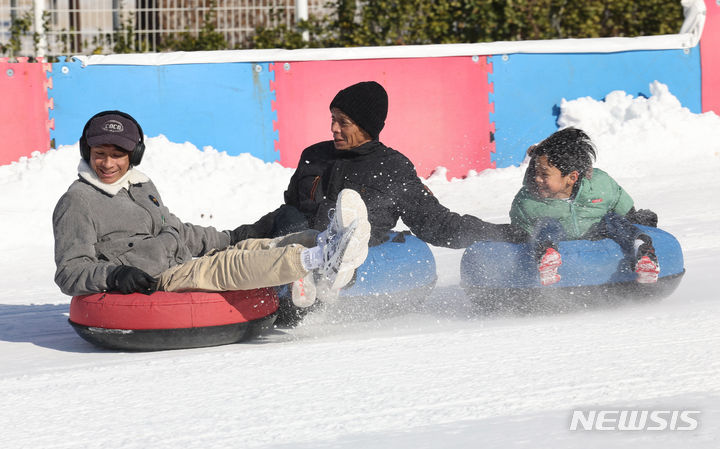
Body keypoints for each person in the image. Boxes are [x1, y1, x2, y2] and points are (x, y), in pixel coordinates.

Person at [52, 110, 371, 306]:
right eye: (99, 153)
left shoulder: (140, 185)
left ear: (133, 155)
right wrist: (115, 274)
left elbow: (175, 231)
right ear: (87, 150)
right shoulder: (78, 202)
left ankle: (326, 244)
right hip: (154, 281)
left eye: (117, 155)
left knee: (258, 245)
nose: (107, 163)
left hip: (180, 264)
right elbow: (70, 271)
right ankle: (316, 259)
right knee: (227, 268)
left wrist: (230, 238)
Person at [235, 80, 525, 257]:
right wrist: (233, 239)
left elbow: (438, 224)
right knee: (284, 223)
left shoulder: (392, 168)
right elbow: (286, 213)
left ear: (366, 126)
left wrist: (503, 234)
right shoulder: (314, 155)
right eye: (333, 119)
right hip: (292, 249)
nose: (333, 128)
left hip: (352, 260)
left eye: (343, 122)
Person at [509, 127, 661, 286]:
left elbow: (625, 211)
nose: (537, 179)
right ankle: (547, 257)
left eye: (544, 175)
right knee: (547, 224)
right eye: (535, 172)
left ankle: (643, 251)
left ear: (572, 177)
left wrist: (637, 221)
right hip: (557, 239)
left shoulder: (599, 184)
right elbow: (521, 234)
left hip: (595, 232)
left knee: (612, 219)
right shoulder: (528, 200)